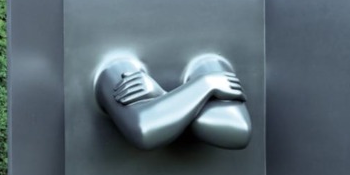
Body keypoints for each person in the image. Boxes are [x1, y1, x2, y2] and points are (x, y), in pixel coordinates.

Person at [94, 53, 252, 150]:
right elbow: (144, 130)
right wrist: (207, 84)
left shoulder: (212, 67)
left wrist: (163, 97)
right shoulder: (119, 70)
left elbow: (238, 130)